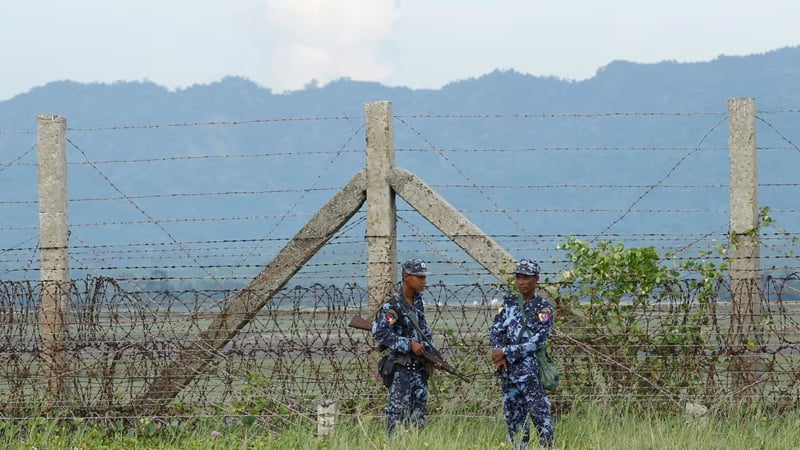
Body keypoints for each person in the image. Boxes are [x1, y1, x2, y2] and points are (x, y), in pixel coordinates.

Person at [490, 259, 555, 449]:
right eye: (518, 277)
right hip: (509, 373)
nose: (521, 282)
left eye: (526, 278)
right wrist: (496, 350)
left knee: (540, 417)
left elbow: (536, 342)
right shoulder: (509, 303)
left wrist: (506, 351)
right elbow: (496, 330)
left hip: (530, 373)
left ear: (536, 279)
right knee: (514, 420)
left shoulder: (542, 309)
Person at [372, 258, 442, 435]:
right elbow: (380, 333)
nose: (424, 281)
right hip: (402, 369)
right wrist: (409, 344)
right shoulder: (393, 306)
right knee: (397, 417)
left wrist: (434, 355)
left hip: (419, 369)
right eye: (419, 277)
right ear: (406, 277)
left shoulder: (417, 302)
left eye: (424, 277)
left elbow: (424, 332)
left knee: (418, 418)